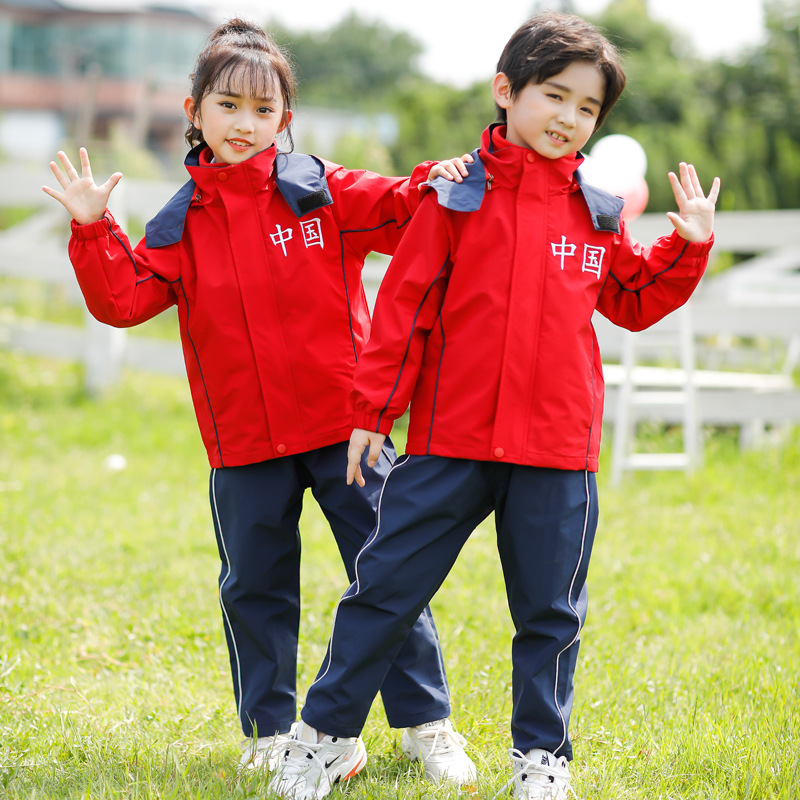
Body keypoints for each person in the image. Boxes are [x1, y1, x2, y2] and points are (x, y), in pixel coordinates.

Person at [269, 11, 721, 800]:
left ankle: (541, 763)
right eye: (555, 96)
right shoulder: (455, 199)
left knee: (551, 616)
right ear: (506, 91)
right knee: (383, 590)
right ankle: (323, 739)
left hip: (557, 453)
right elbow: (403, 310)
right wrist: (374, 413)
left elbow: (635, 299)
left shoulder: (597, 210)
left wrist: (687, 245)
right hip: (450, 443)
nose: (570, 119)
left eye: (588, 109)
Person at [41, 17, 478, 784]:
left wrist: (437, 177)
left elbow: (400, 205)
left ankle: (426, 725)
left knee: (388, 574)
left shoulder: (321, 190)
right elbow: (123, 300)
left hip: (348, 431)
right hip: (242, 444)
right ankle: (271, 732)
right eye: (228, 106)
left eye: (263, 110)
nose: (246, 124)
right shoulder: (179, 224)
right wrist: (91, 228)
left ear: (285, 119)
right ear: (194, 111)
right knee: (253, 589)